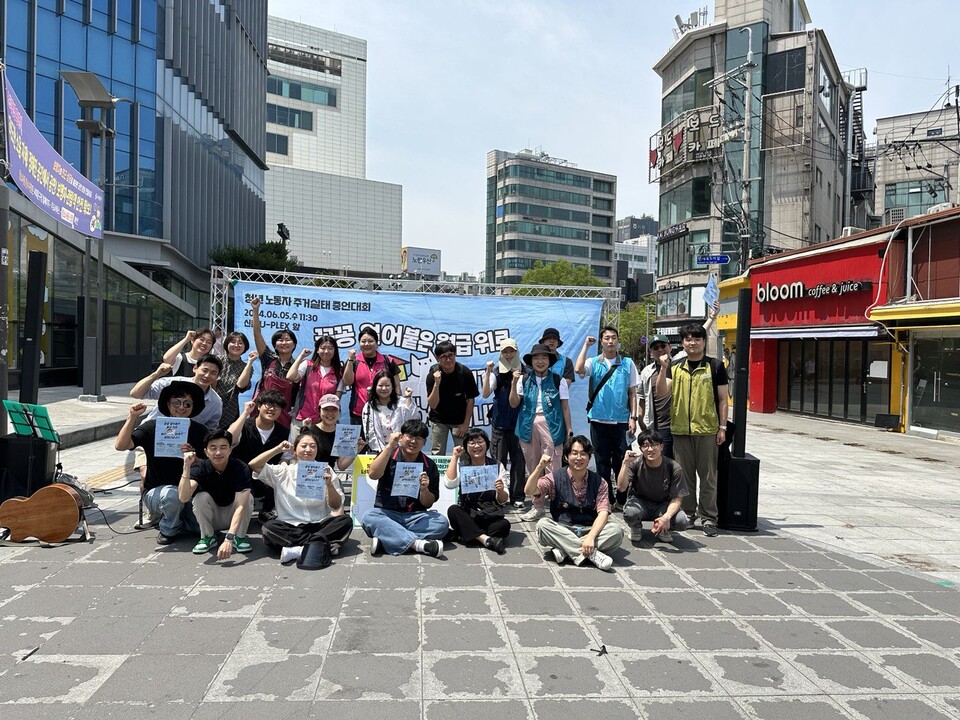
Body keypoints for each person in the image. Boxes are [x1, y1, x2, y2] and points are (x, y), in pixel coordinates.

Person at [656, 322, 729, 537]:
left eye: (697, 339)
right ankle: (687, 514)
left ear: (704, 342)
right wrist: (662, 367)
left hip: (707, 430)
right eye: (688, 339)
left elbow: (724, 400)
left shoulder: (715, 366)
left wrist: (722, 427)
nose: (693, 343)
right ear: (683, 343)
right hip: (680, 430)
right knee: (684, 477)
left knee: (708, 477)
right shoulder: (675, 367)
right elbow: (661, 393)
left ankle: (708, 517)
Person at [114, 380, 207, 544]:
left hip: (189, 491)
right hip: (157, 491)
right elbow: (121, 445)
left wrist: (195, 459)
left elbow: (210, 464)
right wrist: (132, 417)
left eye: (187, 404)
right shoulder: (152, 426)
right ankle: (168, 528)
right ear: (168, 404)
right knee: (172, 496)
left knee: (201, 528)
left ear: (193, 407)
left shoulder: (200, 430)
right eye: (176, 402)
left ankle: (179, 518)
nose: (181, 407)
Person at [249, 433, 354, 565]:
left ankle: (299, 549)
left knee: (345, 521)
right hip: (291, 526)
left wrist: (329, 485)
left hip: (320, 524)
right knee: (269, 528)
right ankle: (321, 545)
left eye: (312, 446)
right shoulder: (283, 471)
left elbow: (335, 505)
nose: (308, 450)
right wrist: (277, 449)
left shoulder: (327, 471)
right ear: (295, 450)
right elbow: (254, 465)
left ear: (317, 450)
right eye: (303, 446)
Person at [526, 435, 623, 571]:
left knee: (616, 531)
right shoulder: (555, 477)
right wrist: (539, 467)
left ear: (589, 457)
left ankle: (566, 550)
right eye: (574, 453)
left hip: (590, 529)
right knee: (543, 526)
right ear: (566, 457)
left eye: (583, 454)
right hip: (563, 528)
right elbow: (529, 490)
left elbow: (603, 513)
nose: (579, 458)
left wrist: (590, 537)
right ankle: (591, 554)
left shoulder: (600, 482)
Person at [360, 419, 449, 557]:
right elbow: (373, 474)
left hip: (415, 516)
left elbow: (429, 503)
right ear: (401, 437)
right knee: (369, 517)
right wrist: (389, 446)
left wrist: (424, 490)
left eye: (419, 438)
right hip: (387, 514)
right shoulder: (388, 455)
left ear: (424, 442)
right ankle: (419, 544)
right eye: (410, 436)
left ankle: (387, 539)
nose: (413, 441)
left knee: (441, 523)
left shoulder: (429, 465)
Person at [575, 326, 639, 505]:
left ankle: (622, 498)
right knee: (602, 462)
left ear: (618, 340)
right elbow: (579, 369)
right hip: (598, 419)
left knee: (622, 460)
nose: (610, 341)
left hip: (621, 421)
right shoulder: (594, 362)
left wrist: (633, 418)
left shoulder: (627, 363)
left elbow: (633, 393)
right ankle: (605, 498)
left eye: (613, 338)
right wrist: (586, 346)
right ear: (601, 341)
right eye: (606, 338)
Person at [510, 343, 571, 522]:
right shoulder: (523, 380)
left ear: (549, 361)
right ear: (531, 361)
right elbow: (514, 403)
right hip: (527, 426)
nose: (540, 361)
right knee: (534, 467)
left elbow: (565, 407)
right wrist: (514, 383)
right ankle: (537, 507)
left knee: (554, 467)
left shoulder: (558, 379)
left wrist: (569, 430)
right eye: (536, 358)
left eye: (544, 358)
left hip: (552, 425)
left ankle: (557, 507)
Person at [179, 430, 254, 559]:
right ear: (206, 452)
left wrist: (229, 539)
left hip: (233, 514)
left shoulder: (241, 468)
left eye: (223, 447)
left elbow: (240, 507)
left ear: (230, 450)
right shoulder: (200, 468)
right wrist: (186, 466)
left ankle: (239, 537)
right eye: (213, 448)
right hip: (213, 517)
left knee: (248, 498)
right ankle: (208, 536)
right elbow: (183, 497)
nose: (218, 452)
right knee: (200, 497)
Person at [616, 430, 690, 544]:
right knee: (631, 513)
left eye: (654, 445)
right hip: (640, 502)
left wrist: (666, 517)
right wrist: (625, 463)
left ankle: (663, 527)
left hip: (663, 504)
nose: (650, 449)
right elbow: (621, 487)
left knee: (682, 521)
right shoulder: (635, 463)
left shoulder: (673, 467)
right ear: (641, 449)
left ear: (661, 446)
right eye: (645, 446)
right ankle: (635, 527)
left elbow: (677, 498)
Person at [443, 429, 510, 554]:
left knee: (504, 525)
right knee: (453, 510)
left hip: (489, 513)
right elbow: (449, 484)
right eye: (472, 443)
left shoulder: (496, 465)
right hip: (468, 513)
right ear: (466, 447)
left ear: (487, 444)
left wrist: (500, 491)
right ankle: (486, 539)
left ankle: (468, 535)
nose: (477, 446)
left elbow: (503, 500)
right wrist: (454, 457)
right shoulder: (462, 464)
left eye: (480, 442)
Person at [227, 391, 291, 519]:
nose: (272, 409)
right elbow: (229, 439)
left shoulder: (284, 432)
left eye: (277, 406)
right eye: (268, 405)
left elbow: (286, 458)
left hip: (265, 476)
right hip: (240, 474)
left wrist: (280, 473)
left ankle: (267, 509)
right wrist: (245, 414)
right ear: (259, 406)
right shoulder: (244, 425)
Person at [481, 338, 525, 508]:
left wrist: (515, 380)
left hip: (519, 425)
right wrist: (487, 372)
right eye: (505, 351)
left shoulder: (524, 372)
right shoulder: (496, 373)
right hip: (499, 425)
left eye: (511, 351)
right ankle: (498, 495)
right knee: (497, 462)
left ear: (516, 351)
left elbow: (515, 402)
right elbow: (485, 394)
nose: (508, 354)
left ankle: (517, 496)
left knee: (518, 462)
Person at [131, 355, 224, 430]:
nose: (207, 375)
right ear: (195, 368)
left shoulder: (216, 402)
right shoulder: (171, 384)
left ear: (217, 376)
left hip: (184, 447)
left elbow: (211, 429)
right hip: (151, 436)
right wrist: (156, 374)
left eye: (213, 373)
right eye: (205, 370)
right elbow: (135, 393)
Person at [286, 335, 354, 431]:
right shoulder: (308, 365)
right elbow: (290, 376)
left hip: (325, 422)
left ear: (335, 351)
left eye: (330, 348)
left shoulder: (339, 372)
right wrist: (301, 356)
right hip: (302, 418)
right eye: (323, 348)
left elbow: (336, 399)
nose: (326, 351)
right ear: (317, 350)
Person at [250, 296, 298, 427]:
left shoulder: (298, 365)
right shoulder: (268, 358)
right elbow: (257, 334)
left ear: (294, 344)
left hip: (285, 413)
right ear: (275, 345)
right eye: (280, 340)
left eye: (288, 340)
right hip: (263, 410)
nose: (284, 343)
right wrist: (255, 310)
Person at [425, 340, 479, 454]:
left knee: (464, 452)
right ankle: (437, 473)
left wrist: (465, 424)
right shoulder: (432, 374)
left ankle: (462, 472)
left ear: (455, 355)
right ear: (437, 358)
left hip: (459, 420)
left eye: (451, 355)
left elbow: (470, 399)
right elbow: (433, 404)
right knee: (437, 453)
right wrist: (436, 383)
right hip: (439, 419)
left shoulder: (465, 372)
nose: (448, 360)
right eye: (444, 357)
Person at [344, 327, 400, 424]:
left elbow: (397, 386)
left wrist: (397, 406)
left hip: (384, 410)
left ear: (377, 342)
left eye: (370, 341)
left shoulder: (388, 361)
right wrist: (350, 360)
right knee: (359, 439)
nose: (366, 344)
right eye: (363, 341)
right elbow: (347, 382)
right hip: (358, 412)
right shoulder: (354, 361)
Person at [362, 370, 421, 452]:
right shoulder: (369, 406)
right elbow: (370, 433)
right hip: (380, 451)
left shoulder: (402, 402)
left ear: (392, 386)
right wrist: (383, 451)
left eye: (387, 385)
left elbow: (413, 422)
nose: (384, 388)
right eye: (380, 385)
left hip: (402, 451)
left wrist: (408, 398)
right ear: (375, 387)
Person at [305, 394, 366, 471]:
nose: (330, 413)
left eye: (334, 409)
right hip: (310, 476)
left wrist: (356, 449)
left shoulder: (342, 434)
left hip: (329, 477)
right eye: (326, 409)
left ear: (339, 411)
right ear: (319, 411)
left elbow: (341, 466)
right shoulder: (310, 431)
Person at [638, 335, 675, 459]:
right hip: (658, 425)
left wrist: (711, 318)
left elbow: (695, 338)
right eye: (655, 347)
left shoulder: (678, 365)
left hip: (679, 424)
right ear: (650, 352)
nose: (660, 350)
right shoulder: (647, 372)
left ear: (670, 347)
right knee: (662, 461)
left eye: (663, 346)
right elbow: (641, 397)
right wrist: (640, 419)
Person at [214, 333, 257, 430]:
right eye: (233, 342)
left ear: (245, 346)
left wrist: (250, 362)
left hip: (230, 410)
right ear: (226, 344)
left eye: (240, 343)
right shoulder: (216, 361)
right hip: (212, 405)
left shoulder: (246, 367)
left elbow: (241, 385)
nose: (236, 345)